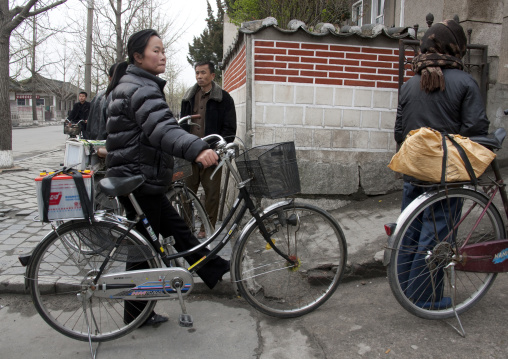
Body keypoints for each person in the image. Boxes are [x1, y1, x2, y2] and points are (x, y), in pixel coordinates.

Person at [105, 29, 230, 326]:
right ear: (138, 57)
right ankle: (136, 315)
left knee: (178, 229)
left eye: (163, 50)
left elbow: (157, 127)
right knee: (142, 252)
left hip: (141, 177)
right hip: (138, 180)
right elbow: (161, 129)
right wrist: (197, 148)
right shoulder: (140, 87)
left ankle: (215, 271)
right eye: (156, 50)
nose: (162, 56)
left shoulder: (135, 83)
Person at [394, 19, 490, 309]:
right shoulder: (465, 82)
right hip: (446, 175)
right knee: (436, 235)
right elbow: (476, 129)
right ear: (456, 46)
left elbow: (399, 132)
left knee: (408, 231)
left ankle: (405, 288)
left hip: (414, 171)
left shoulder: (409, 84)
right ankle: (424, 297)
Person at [180, 61, 237, 238]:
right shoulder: (188, 97)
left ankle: (207, 227)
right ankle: (187, 228)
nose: (199, 76)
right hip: (190, 153)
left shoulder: (224, 98)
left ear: (212, 75)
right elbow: (182, 125)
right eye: (197, 73)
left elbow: (229, 129)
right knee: (185, 193)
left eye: (203, 73)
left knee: (212, 193)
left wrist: (219, 149)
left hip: (212, 153)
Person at [86, 63, 118, 140]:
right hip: (109, 145)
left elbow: (90, 124)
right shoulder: (116, 96)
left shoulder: (98, 96)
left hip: (95, 142)